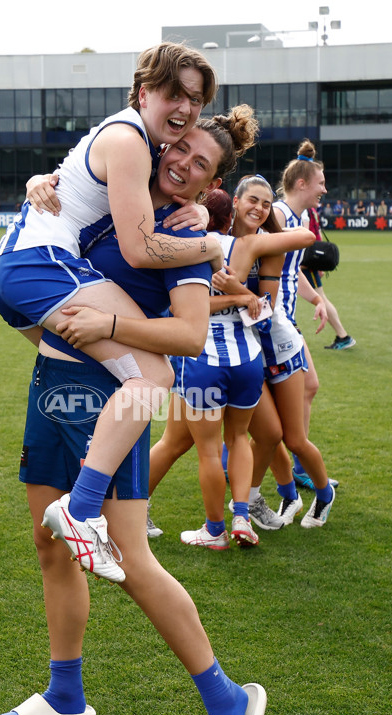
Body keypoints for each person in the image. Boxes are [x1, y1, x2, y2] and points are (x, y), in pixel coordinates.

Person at [0, 108, 268, 715]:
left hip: (116, 403)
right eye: (179, 149)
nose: (181, 163)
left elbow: (188, 339)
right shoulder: (119, 199)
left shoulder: (183, 232)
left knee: (132, 562)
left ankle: (229, 702)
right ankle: (65, 694)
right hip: (53, 386)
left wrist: (114, 320)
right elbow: (61, 227)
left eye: (200, 164)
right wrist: (41, 182)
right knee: (49, 545)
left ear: (211, 183)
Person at [0, 42, 224, 584]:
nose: (185, 107)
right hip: (38, 266)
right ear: (144, 93)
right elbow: (141, 250)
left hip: (16, 270)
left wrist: (36, 181)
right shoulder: (131, 140)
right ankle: (83, 507)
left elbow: (73, 186)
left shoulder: (128, 138)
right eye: (174, 93)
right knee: (153, 373)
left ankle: (83, 495)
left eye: (195, 99)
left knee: (109, 375)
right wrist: (212, 247)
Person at [147, 177, 315, 538]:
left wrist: (241, 292)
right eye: (252, 201)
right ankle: (233, 512)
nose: (259, 209)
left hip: (219, 358)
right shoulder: (233, 245)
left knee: (261, 436)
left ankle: (234, 516)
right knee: (186, 441)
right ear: (233, 206)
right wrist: (241, 297)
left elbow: (263, 306)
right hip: (230, 357)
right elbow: (188, 307)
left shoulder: (254, 244)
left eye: (267, 204)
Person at [251, 141, 337, 528]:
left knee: (305, 397)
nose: (324, 189)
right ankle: (294, 478)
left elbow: (290, 271)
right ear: (302, 183)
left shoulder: (296, 222)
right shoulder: (279, 216)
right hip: (272, 327)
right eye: (320, 182)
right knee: (279, 427)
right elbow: (263, 267)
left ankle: (298, 473)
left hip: (281, 328)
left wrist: (316, 297)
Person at [301, 206, 356, 351]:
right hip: (310, 259)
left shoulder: (305, 209)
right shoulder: (311, 209)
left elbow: (309, 234)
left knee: (321, 298)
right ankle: (343, 336)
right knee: (320, 297)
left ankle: (343, 336)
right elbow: (317, 233)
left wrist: (316, 263)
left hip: (305, 262)